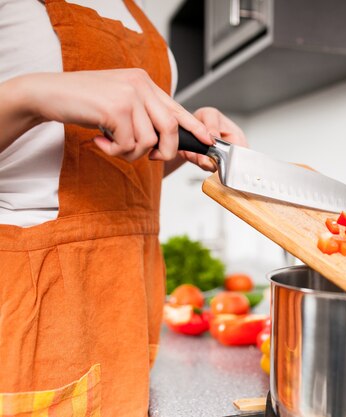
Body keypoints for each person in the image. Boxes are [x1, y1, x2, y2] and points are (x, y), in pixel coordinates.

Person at [0, 0, 246, 415]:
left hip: (124, 309)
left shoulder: (138, 12)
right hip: (33, 314)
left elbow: (116, 175)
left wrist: (185, 144)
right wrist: (30, 95)